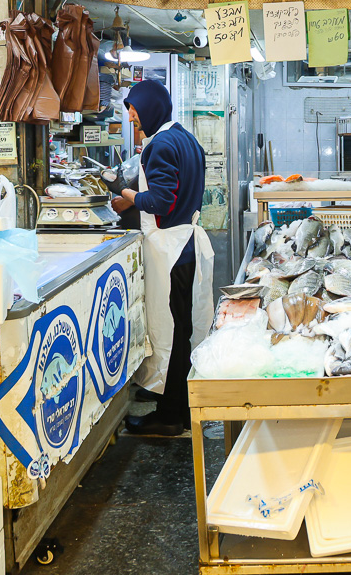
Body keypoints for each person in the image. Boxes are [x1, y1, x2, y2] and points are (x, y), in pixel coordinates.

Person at [116, 78, 209, 437]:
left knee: (169, 334)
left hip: (171, 250)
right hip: (186, 246)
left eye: (134, 111)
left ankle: (169, 416)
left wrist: (124, 193)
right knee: (182, 331)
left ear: (151, 107)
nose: (132, 119)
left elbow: (160, 202)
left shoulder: (161, 145)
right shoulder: (185, 137)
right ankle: (182, 408)